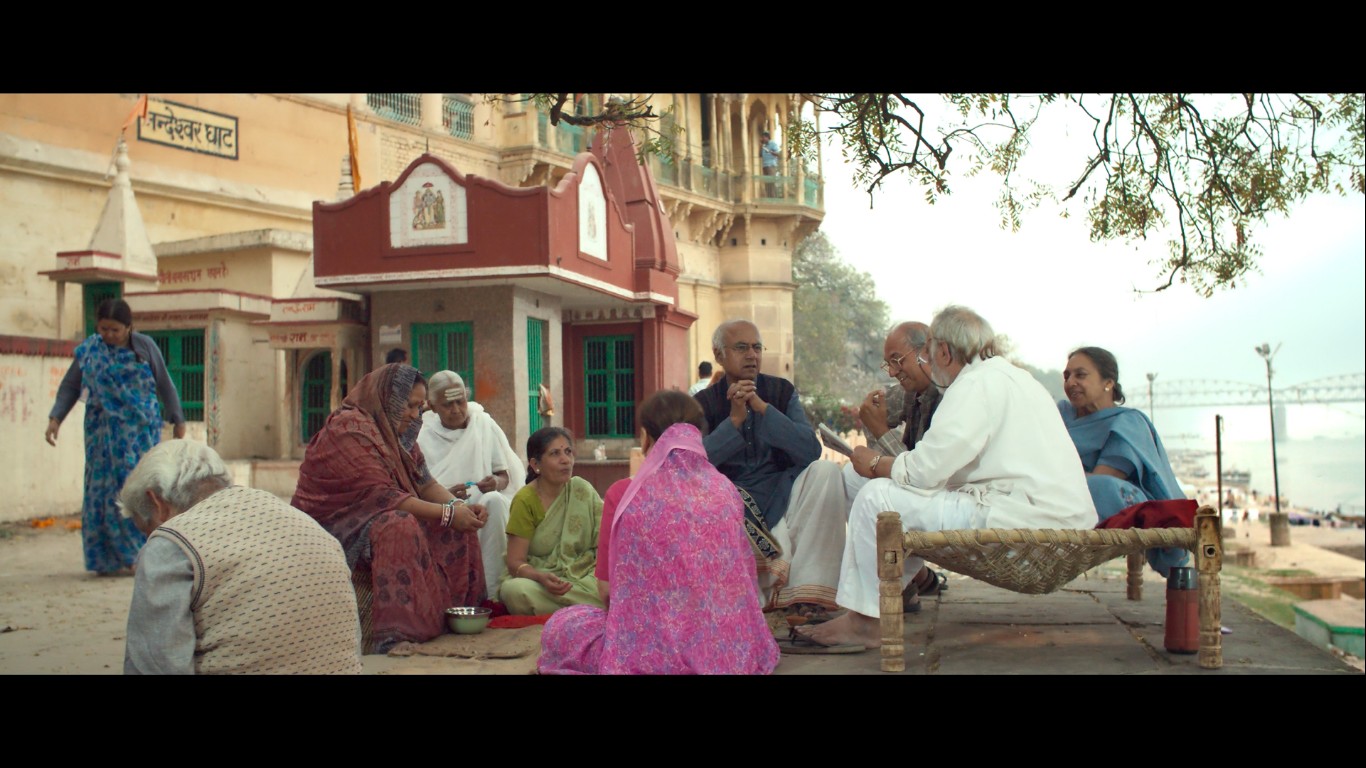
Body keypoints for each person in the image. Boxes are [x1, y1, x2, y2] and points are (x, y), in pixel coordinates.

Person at [801, 306, 1096, 650]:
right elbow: (942, 468)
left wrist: (877, 461)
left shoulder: (973, 385)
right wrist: (872, 464)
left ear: (943, 351)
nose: (927, 362)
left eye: (927, 352)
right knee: (861, 483)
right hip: (1033, 508)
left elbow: (925, 472)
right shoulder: (1013, 378)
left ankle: (866, 622)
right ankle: (885, 592)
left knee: (877, 498)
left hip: (1024, 516)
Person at [537, 390, 780, 674]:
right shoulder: (725, 490)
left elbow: (607, 591)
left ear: (645, 438)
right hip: (729, 646)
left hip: (650, 648)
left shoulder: (626, 494)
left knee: (563, 626)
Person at [119, 439, 362, 674]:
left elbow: (156, 665)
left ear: (157, 504)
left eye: (146, 528)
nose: (151, 538)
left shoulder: (171, 543)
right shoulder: (310, 528)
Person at [291, 363, 487, 653]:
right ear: (387, 399)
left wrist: (458, 507)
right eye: (409, 406)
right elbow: (382, 497)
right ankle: (397, 636)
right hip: (338, 526)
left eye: (419, 407)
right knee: (400, 526)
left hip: (382, 512)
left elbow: (425, 483)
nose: (414, 415)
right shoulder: (349, 430)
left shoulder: (397, 434)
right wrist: (449, 514)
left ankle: (453, 615)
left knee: (459, 524)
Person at [694, 319, 848, 621]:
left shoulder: (780, 391)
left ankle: (808, 595)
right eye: (741, 348)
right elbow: (696, 463)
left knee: (827, 473)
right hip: (732, 504)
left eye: (756, 347)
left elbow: (809, 449)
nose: (752, 355)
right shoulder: (701, 404)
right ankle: (765, 595)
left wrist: (762, 408)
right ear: (719, 354)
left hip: (782, 492)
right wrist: (735, 421)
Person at [45, 298, 186, 576]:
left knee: (136, 490)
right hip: (101, 434)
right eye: (103, 329)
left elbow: (165, 385)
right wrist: (55, 419)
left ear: (129, 328)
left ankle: (138, 554)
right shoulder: (89, 351)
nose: (108, 336)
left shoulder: (145, 348)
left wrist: (177, 418)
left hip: (138, 434)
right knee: (102, 492)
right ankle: (104, 559)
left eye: (115, 330)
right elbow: (70, 387)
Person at [842, 321, 947, 611]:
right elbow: (880, 415)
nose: (891, 372)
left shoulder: (950, 395)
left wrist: (880, 436)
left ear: (925, 352)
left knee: (873, 489)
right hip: (919, 489)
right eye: (887, 364)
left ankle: (880, 597)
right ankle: (907, 577)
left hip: (942, 496)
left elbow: (924, 474)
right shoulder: (912, 390)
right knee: (850, 477)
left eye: (897, 361)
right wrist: (875, 418)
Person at [1060, 346, 1189, 576]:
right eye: (1067, 376)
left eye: (1080, 375)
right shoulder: (1059, 414)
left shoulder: (1129, 423)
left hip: (1105, 495)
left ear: (1108, 382)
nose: (1070, 383)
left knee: (1098, 486)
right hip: (1061, 488)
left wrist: (1054, 477)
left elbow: (1103, 479)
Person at [417, 370, 525, 594]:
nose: (456, 410)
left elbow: (504, 476)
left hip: (482, 504)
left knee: (495, 501)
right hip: (442, 509)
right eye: (448, 405)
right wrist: (447, 495)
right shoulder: (422, 435)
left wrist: (494, 483)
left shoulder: (483, 423)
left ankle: (495, 593)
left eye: (460, 401)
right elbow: (418, 488)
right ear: (433, 406)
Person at [499, 426, 605, 615]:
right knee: (515, 591)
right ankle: (589, 607)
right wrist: (540, 577)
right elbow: (515, 562)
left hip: (586, 575)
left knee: (614, 583)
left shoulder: (582, 490)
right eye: (555, 454)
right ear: (535, 464)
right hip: (542, 582)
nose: (565, 460)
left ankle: (578, 606)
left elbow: (606, 542)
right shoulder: (525, 500)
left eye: (568, 452)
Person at [760, 130, 780, 196]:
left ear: (767, 137)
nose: (762, 139)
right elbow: (760, 155)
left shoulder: (773, 144)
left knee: (772, 182)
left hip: (771, 165)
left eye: (763, 137)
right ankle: (768, 197)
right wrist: (761, 146)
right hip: (764, 165)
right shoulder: (763, 145)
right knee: (767, 183)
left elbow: (778, 154)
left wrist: (770, 151)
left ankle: (773, 197)